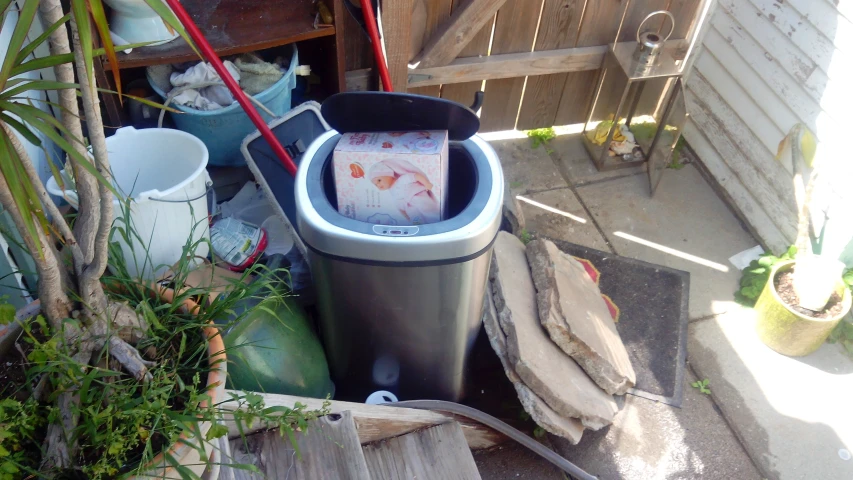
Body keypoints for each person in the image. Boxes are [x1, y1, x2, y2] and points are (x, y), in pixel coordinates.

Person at [368, 159, 440, 224]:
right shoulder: (392, 192)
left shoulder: (402, 179)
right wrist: (407, 217)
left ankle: (437, 223)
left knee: (430, 212)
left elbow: (416, 176)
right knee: (417, 222)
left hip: (418, 199)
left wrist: (426, 183)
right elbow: (399, 206)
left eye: (379, 180)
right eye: (375, 184)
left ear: (388, 174)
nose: (378, 184)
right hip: (409, 209)